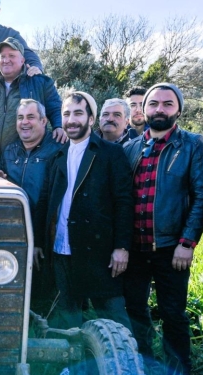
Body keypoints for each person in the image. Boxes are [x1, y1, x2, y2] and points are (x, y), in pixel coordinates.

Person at [122, 83, 203, 375]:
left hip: (171, 247)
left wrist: (187, 243)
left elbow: (202, 196)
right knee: (135, 309)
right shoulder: (132, 147)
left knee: (172, 313)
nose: (159, 109)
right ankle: (145, 371)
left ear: (178, 109)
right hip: (135, 248)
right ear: (143, 109)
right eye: (153, 104)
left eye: (167, 104)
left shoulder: (192, 145)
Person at [34, 92, 133, 331]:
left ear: (91, 119)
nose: (71, 120)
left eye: (78, 113)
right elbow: (45, 201)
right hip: (61, 250)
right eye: (66, 114)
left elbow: (124, 202)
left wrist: (122, 247)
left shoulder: (111, 153)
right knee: (68, 320)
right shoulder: (56, 155)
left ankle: (127, 367)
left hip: (98, 252)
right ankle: (73, 369)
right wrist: (38, 242)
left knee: (114, 321)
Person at [0, 99, 62, 315]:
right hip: (11, 235)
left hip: (44, 237)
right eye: (20, 117)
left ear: (43, 120)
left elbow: (50, 201)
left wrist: (38, 241)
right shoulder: (9, 151)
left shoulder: (57, 150)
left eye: (31, 117)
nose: (25, 123)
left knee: (40, 296)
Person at [0, 37, 64, 165]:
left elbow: (55, 107)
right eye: (2, 56)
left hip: (24, 161)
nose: (6, 60)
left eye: (11, 55)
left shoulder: (39, 82)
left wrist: (59, 126)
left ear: (22, 60)